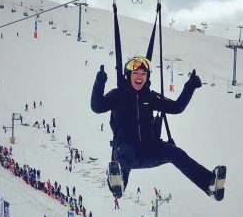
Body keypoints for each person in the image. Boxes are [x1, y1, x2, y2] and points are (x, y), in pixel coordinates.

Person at [91, 56, 226, 201]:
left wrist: (190, 86)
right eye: (135, 73)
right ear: (128, 75)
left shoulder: (150, 96)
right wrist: (99, 83)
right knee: (124, 156)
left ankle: (209, 183)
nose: (139, 77)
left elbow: (177, 107)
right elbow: (97, 107)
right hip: (126, 148)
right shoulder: (118, 95)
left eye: (143, 74)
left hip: (149, 148)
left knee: (175, 152)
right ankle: (118, 181)